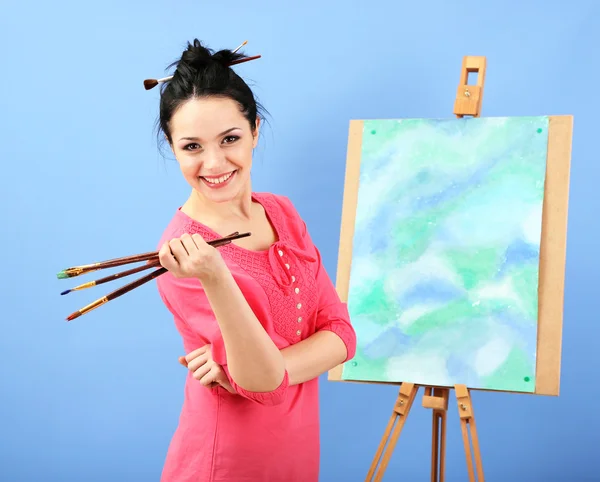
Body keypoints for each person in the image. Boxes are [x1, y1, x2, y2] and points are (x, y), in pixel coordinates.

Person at [151, 39, 357, 482]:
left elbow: (341, 334)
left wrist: (268, 368)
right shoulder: (183, 256)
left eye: (230, 139)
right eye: (191, 147)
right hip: (224, 462)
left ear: (255, 131)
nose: (214, 162)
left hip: (296, 453)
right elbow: (261, 384)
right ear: (172, 147)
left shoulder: (282, 213)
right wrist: (215, 274)